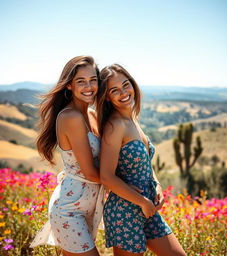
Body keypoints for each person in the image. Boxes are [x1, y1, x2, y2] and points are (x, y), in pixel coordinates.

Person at [97, 64, 187, 256]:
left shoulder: (132, 119)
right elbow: (106, 176)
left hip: (147, 208)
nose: (123, 92)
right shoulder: (115, 125)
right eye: (114, 90)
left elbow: (145, 161)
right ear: (106, 96)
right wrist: (143, 202)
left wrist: (157, 184)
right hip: (125, 212)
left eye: (126, 84)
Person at [30, 56, 104, 256]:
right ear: (69, 85)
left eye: (93, 79)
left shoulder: (93, 115)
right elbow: (89, 172)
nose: (89, 86)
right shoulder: (70, 117)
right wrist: (127, 187)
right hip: (69, 211)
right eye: (81, 81)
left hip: (88, 207)